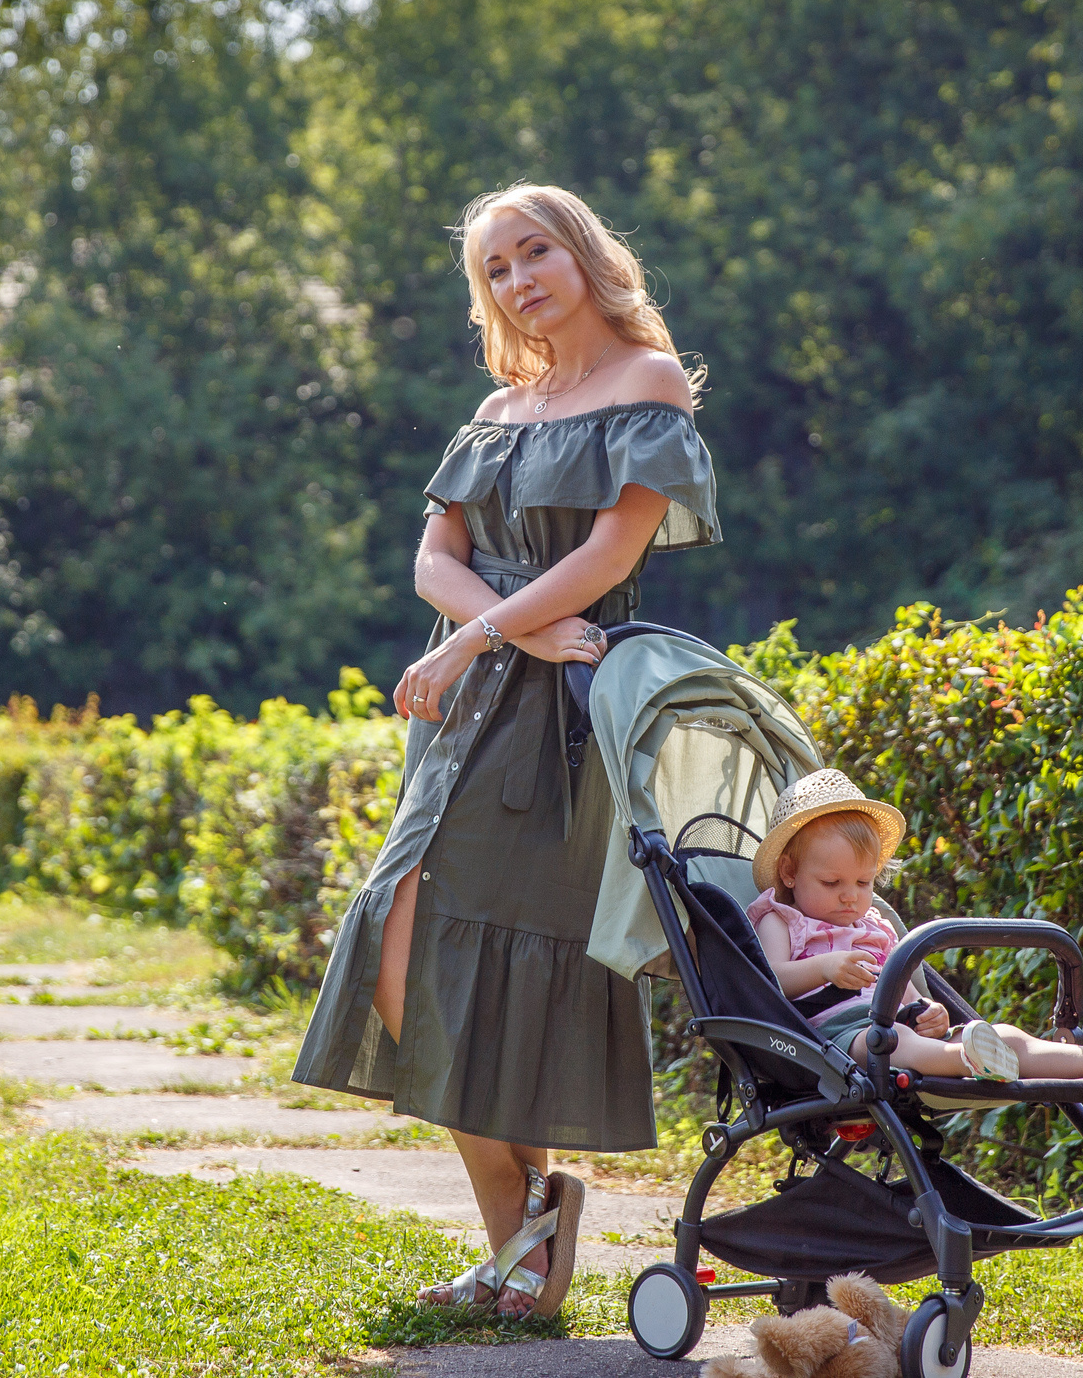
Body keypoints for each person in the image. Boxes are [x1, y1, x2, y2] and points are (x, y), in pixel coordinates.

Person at [291, 183, 720, 1320]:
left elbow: (607, 559)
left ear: (581, 254)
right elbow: (432, 563)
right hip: (472, 703)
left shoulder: (648, 384)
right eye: (495, 267)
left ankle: (520, 1249)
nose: (519, 278)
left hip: (560, 724)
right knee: (399, 945)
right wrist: (508, 628)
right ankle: (528, 1225)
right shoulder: (498, 408)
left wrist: (493, 632)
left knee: (493, 964)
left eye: (535, 252)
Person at [748, 769, 1083, 1093]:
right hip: (838, 1042)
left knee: (1001, 1033)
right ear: (789, 872)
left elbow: (897, 994)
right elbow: (769, 981)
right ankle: (969, 1060)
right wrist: (826, 967)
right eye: (832, 883)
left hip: (892, 1027)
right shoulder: (782, 920)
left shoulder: (873, 928)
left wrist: (926, 1011)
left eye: (864, 883)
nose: (850, 897)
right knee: (895, 1041)